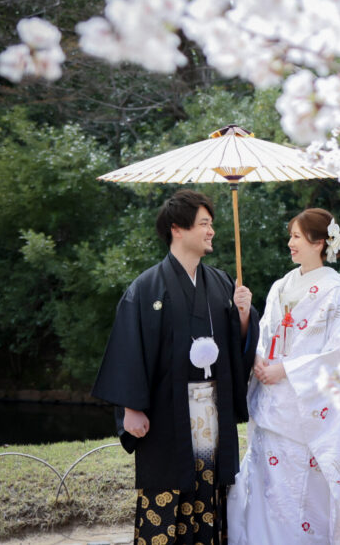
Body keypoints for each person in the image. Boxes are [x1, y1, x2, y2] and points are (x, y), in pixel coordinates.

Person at [92, 189, 260, 545]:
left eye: (211, 224)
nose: (211, 231)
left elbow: (236, 346)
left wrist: (244, 316)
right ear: (177, 229)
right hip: (167, 412)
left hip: (211, 410)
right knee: (166, 491)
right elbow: (129, 348)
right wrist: (131, 408)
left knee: (208, 492)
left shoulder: (222, 282)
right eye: (204, 224)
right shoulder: (146, 287)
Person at [228, 208, 340, 544]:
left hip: (304, 407)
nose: (290, 243)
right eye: (291, 236)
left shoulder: (332, 293)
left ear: (319, 243)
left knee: (300, 487)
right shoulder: (281, 286)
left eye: (297, 236)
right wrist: (258, 357)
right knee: (267, 482)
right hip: (272, 401)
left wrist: (285, 369)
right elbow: (265, 330)